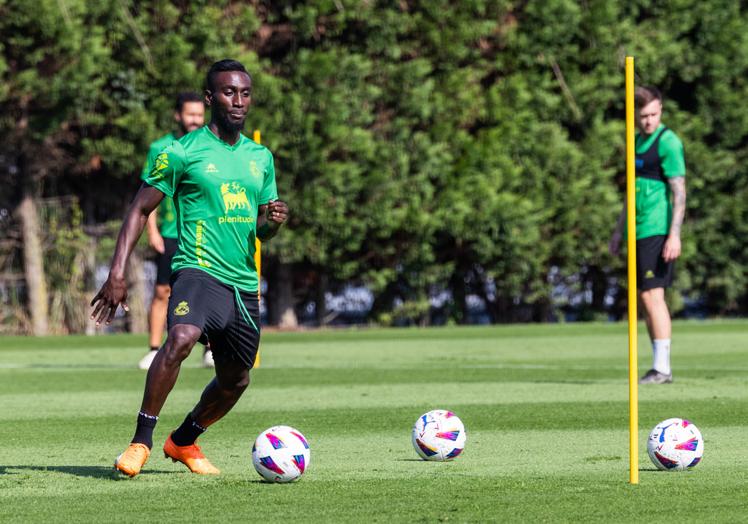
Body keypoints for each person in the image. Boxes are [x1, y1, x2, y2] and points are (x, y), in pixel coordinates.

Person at [91, 59, 289, 476]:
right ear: (209, 98)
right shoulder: (180, 152)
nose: (238, 101)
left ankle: (182, 441)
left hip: (242, 284)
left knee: (237, 380)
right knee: (181, 337)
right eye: (229, 92)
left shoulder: (261, 158)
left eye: (245, 93)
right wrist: (117, 273)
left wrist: (268, 224)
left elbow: (259, 232)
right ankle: (140, 442)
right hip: (196, 270)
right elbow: (138, 210)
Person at [610, 85, 686, 385]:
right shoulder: (634, 143)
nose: (649, 121)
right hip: (637, 229)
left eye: (654, 114)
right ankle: (659, 366)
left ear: (661, 111)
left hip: (657, 227)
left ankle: (662, 368)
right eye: (643, 116)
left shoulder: (668, 143)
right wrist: (618, 231)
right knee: (644, 296)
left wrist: (674, 235)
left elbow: (679, 192)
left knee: (653, 295)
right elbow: (631, 192)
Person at [137, 92, 216, 370]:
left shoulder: (212, 145)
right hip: (171, 232)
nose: (195, 120)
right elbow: (149, 194)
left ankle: (210, 348)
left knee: (209, 289)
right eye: (189, 114)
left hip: (205, 233)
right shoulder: (161, 147)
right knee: (162, 291)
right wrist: (153, 231)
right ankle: (154, 348)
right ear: (177, 115)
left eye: (199, 114)